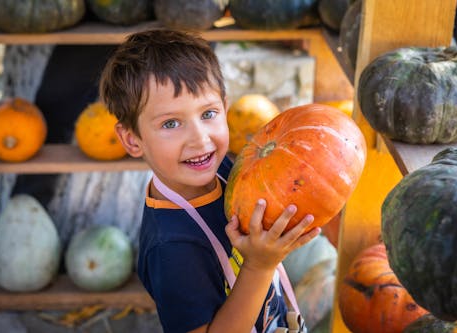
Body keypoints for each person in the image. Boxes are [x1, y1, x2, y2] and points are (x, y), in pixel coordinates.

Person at [99, 29, 321, 333]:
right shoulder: (172, 248)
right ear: (132, 139)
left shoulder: (225, 169)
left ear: (225, 107)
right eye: (171, 123)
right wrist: (259, 265)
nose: (199, 139)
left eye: (208, 114)